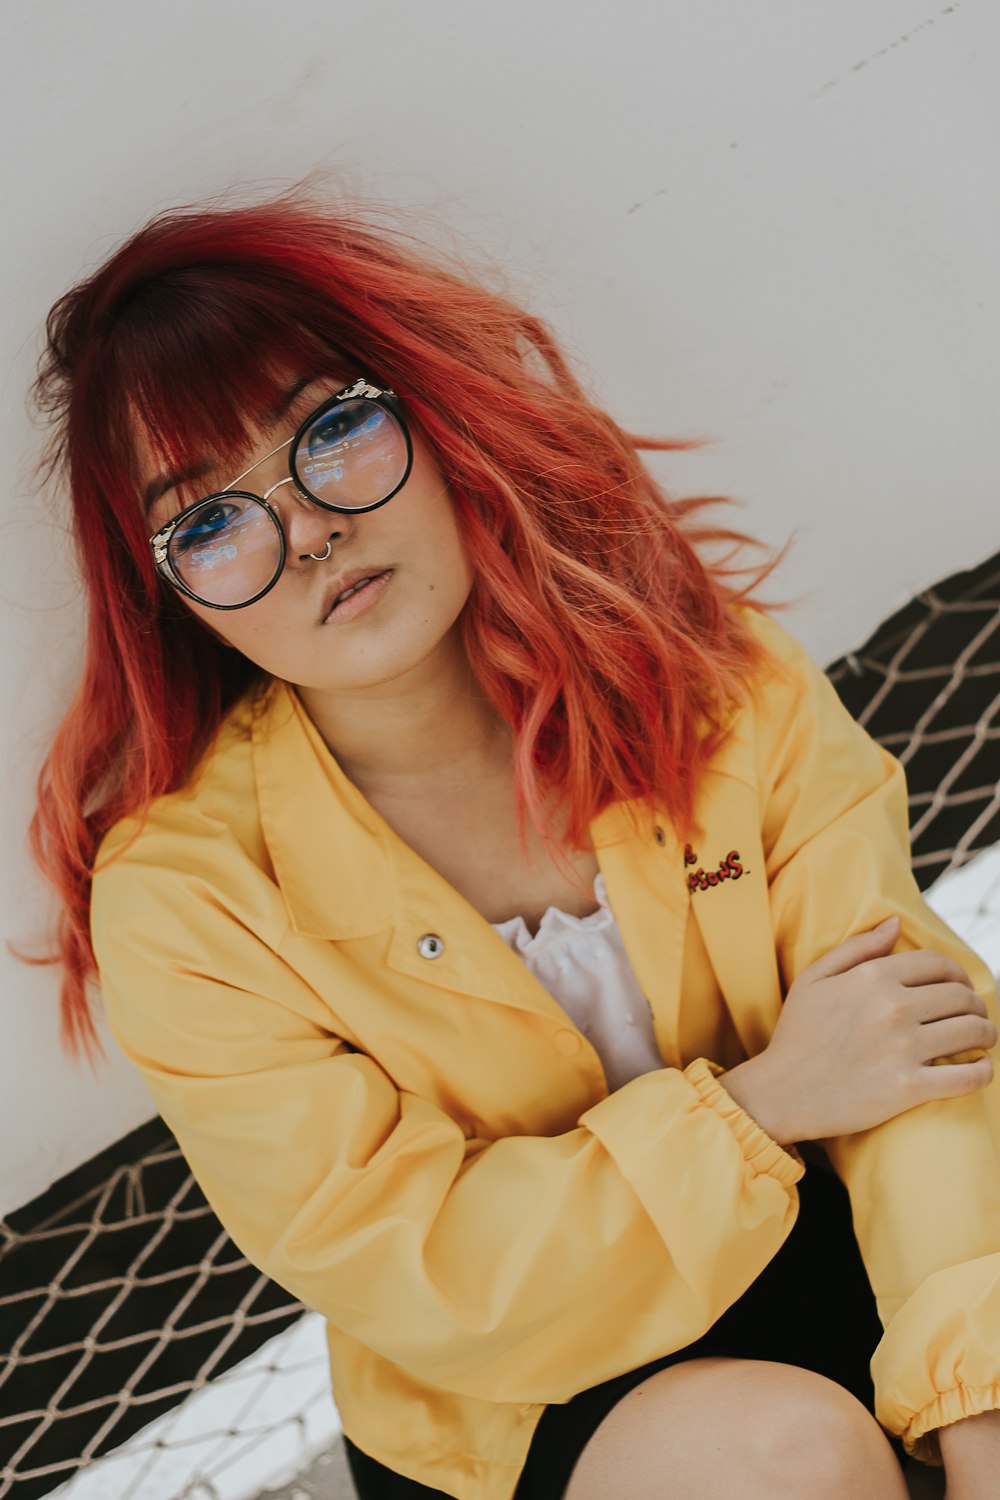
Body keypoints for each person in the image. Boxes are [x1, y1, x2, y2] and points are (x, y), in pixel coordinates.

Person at [28, 192, 1000, 1500]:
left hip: (834, 1233)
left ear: (429, 412)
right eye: (210, 520)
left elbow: (909, 1040)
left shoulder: (707, 679)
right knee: (788, 1456)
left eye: (333, 430)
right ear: (172, 592)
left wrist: (978, 1411)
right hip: (522, 1393)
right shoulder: (189, 903)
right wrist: (762, 1102)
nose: (305, 529)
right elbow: (435, 1272)